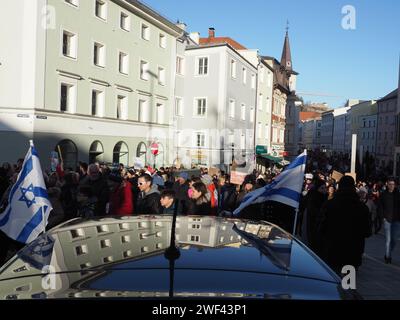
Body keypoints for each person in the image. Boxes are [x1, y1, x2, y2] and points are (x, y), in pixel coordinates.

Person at [319, 176, 372, 274]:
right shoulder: (362, 208)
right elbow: (367, 232)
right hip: (353, 254)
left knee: (333, 283)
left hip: (332, 252)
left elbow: (321, 228)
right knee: (348, 284)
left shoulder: (329, 205)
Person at [377, 178, 400, 264]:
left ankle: (388, 252)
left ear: (395, 185)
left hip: (397, 220)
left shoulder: (398, 195)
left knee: (394, 240)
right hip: (387, 220)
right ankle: (388, 256)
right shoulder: (383, 195)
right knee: (388, 240)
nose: (391, 186)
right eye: (390, 184)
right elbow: (380, 207)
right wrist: (382, 217)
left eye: (393, 184)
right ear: (387, 184)